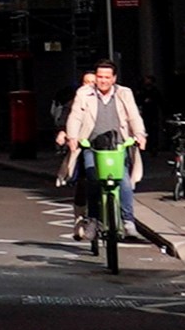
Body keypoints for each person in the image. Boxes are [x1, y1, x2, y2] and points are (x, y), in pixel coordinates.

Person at [55, 62, 146, 245]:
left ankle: (128, 223)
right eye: (100, 77)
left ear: (113, 79)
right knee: (92, 177)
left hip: (118, 145)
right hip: (92, 145)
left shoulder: (124, 93)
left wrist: (139, 135)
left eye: (107, 77)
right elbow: (75, 116)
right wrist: (73, 137)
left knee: (124, 181)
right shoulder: (84, 94)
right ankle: (94, 220)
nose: (103, 80)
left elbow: (134, 116)